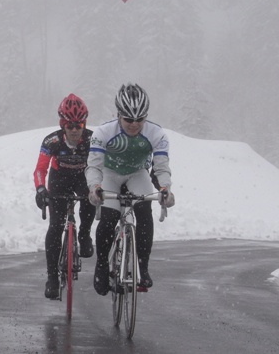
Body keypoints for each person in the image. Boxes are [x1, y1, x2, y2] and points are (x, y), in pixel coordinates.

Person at [85, 83, 175, 296]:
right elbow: (94, 166)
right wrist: (94, 188)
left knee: (144, 212)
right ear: (118, 115)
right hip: (109, 174)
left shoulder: (157, 134)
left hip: (137, 173)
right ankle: (101, 266)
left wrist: (165, 189)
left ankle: (142, 267)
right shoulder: (103, 132)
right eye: (128, 119)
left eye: (140, 119)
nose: (134, 125)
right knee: (108, 217)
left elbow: (161, 167)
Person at [33, 94, 96, 299]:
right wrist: (41, 189)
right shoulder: (52, 141)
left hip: (82, 177)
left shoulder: (92, 139)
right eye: (70, 126)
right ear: (62, 125)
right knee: (56, 226)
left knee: (90, 197)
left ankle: (84, 234)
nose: (75, 130)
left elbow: (103, 166)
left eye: (79, 125)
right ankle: (52, 278)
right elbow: (40, 169)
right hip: (59, 178)